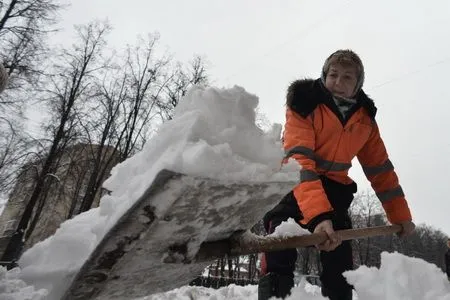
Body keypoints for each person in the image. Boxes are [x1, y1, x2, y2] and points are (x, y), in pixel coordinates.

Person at [258, 49, 415, 300]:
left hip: (335, 194)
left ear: (358, 84)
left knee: (340, 267)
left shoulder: (364, 120)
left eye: (347, 78)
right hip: (294, 187)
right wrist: (319, 217)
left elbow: (381, 170)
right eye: (333, 75)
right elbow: (300, 161)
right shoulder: (304, 102)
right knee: (280, 242)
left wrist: (401, 216)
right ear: (324, 75)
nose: (338, 83)